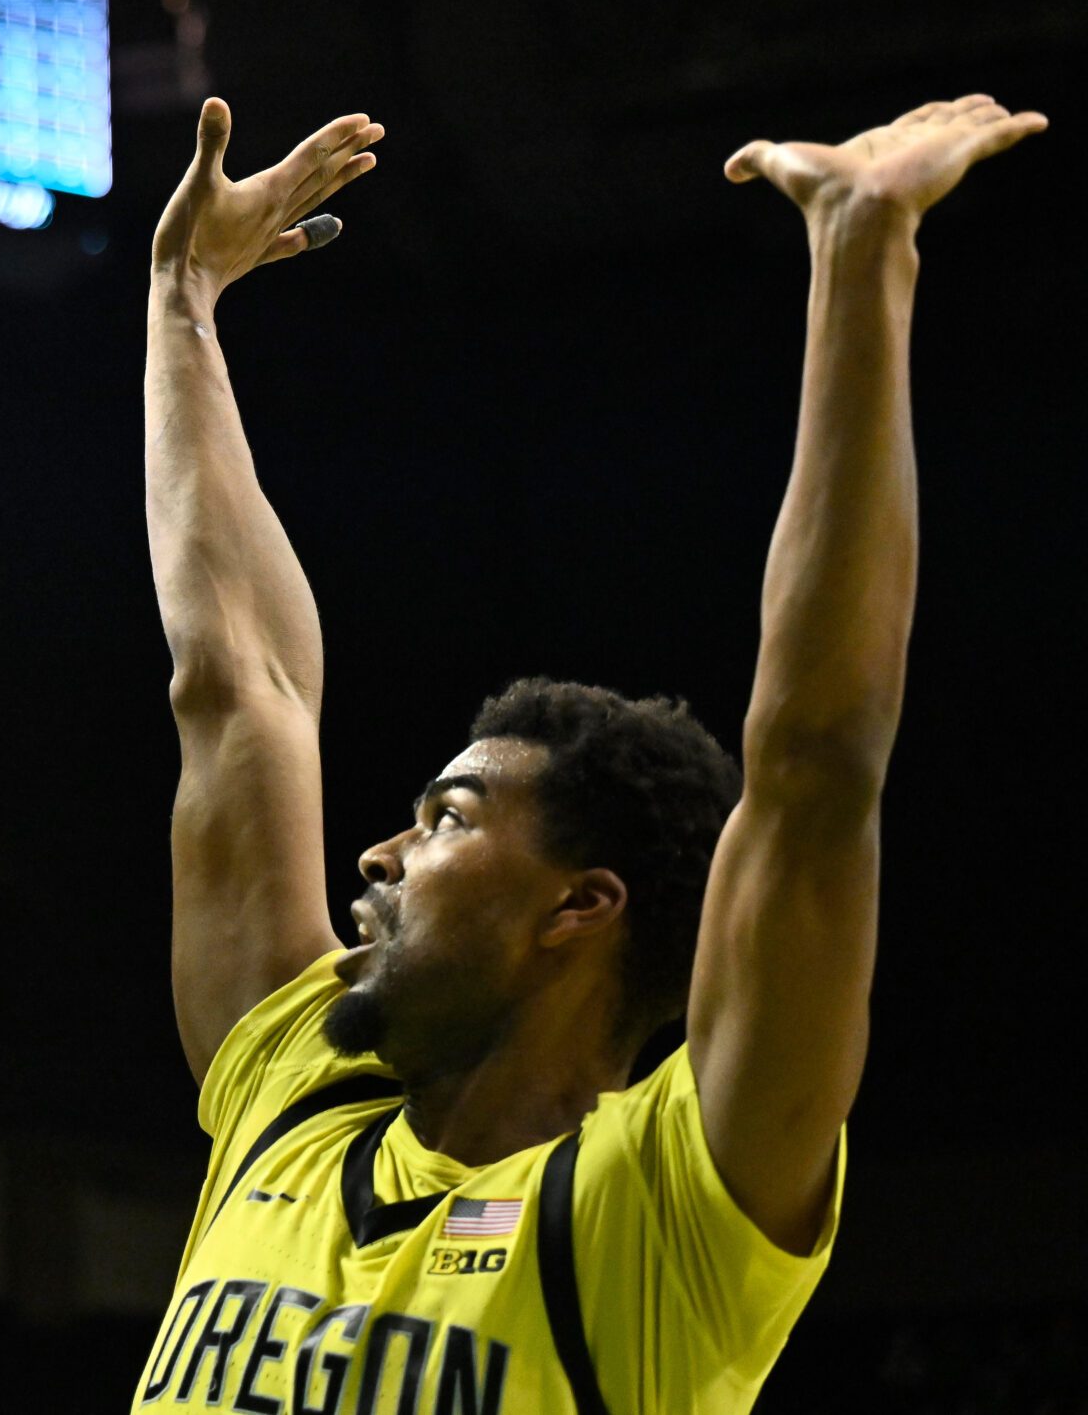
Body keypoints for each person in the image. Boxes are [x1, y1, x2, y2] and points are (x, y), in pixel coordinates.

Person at [133, 94, 1045, 1412]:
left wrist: (863, 253)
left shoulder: (666, 1211)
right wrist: (182, 303)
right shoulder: (295, 1089)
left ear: (581, 903)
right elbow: (238, 687)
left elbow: (815, 763)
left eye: (447, 819)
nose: (379, 855)